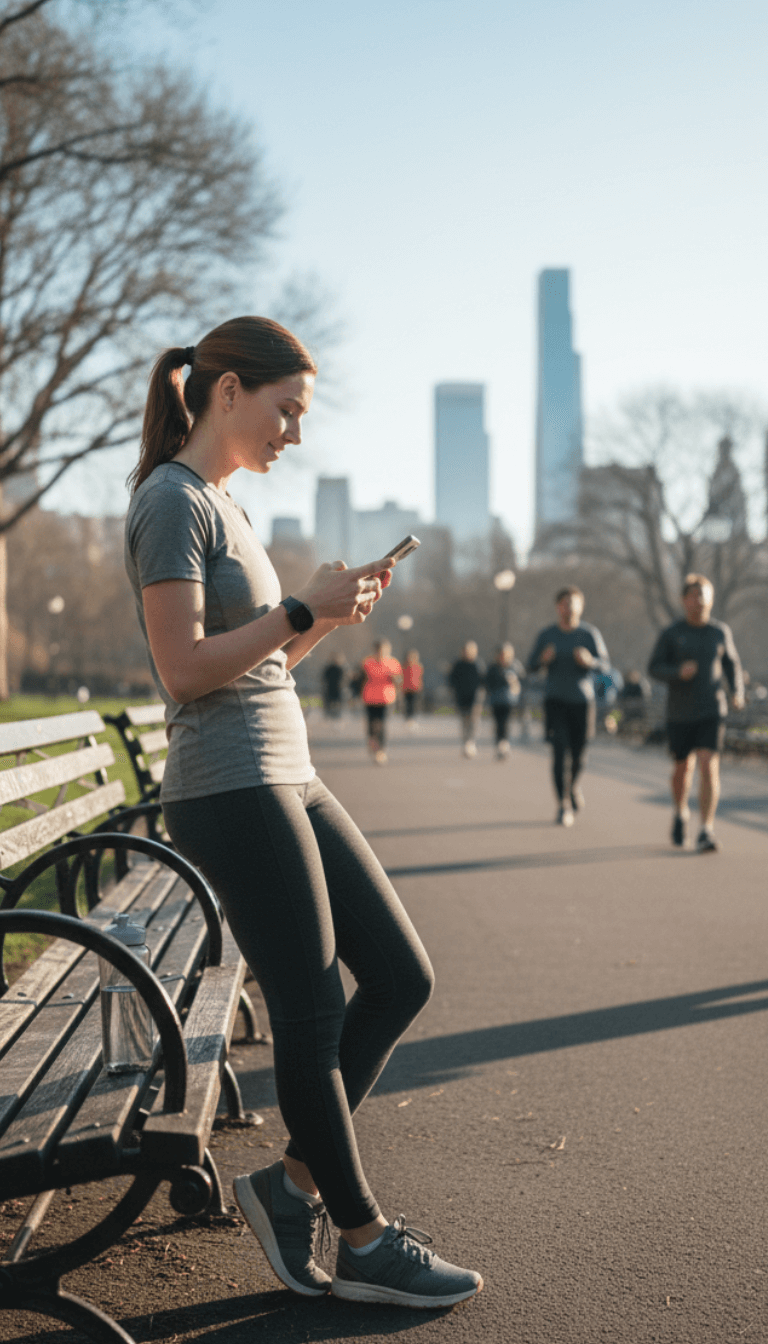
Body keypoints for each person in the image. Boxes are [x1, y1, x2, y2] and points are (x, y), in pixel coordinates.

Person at [124, 316, 482, 1308]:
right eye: (287, 411)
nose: (294, 433)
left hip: (285, 769)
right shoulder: (170, 501)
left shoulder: (226, 507)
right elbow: (183, 670)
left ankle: (290, 1191)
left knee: (402, 978)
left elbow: (257, 669)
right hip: (230, 788)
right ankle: (360, 1238)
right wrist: (294, 610)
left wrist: (320, 619)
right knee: (315, 1010)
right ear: (228, 391)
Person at [647, 573, 744, 853]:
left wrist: (736, 691)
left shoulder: (719, 632)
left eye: (703, 595)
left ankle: (706, 829)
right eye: (693, 595)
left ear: (711, 599)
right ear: (683, 600)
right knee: (682, 768)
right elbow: (653, 667)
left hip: (712, 709)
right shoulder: (672, 633)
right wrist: (677, 672)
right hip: (679, 712)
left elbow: (732, 665)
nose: (698, 600)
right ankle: (680, 812)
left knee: (708, 764)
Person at [526, 586, 610, 825]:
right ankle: (563, 805)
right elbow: (530, 665)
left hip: (582, 702)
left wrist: (590, 661)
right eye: (564, 603)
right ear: (557, 607)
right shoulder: (547, 635)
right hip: (555, 701)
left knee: (579, 755)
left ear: (580, 607)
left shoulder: (589, 634)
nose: (568, 607)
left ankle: (572, 787)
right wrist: (543, 660)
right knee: (559, 753)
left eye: (573, 603)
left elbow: (605, 666)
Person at [361, 638, 402, 764]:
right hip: (370, 698)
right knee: (372, 724)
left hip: (386, 698)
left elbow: (399, 681)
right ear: (375, 650)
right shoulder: (367, 663)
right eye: (379, 650)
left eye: (385, 650)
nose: (382, 652)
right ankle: (373, 745)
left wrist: (395, 678)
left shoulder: (393, 663)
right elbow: (360, 680)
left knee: (382, 725)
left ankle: (381, 751)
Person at [484, 643, 524, 758]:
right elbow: (488, 682)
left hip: (510, 700)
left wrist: (515, 683)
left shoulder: (515, 666)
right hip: (496, 700)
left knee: (505, 722)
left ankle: (504, 743)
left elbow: (523, 679)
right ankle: (499, 743)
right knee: (498, 723)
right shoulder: (493, 668)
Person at [448, 640, 484, 757]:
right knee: (464, 720)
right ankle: (466, 742)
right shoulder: (458, 664)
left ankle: (471, 741)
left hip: (476, 696)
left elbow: (484, 680)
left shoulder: (478, 664)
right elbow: (452, 679)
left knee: (474, 719)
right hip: (461, 696)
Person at [402, 649, 424, 730]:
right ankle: (408, 719)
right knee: (408, 705)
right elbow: (401, 677)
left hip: (415, 689)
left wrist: (420, 686)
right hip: (406, 689)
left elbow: (420, 678)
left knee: (414, 705)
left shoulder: (418, 666)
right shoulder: (404, 666)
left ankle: (413, 719)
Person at [321, 652, 346, 718]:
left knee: (337, 704)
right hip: (330, 689)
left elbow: (343, 679)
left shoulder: (340, 669)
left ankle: (336, 715)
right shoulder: (329, 669)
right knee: (329, 704)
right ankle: (329, 715)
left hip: (337, 690)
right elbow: (324, 679)